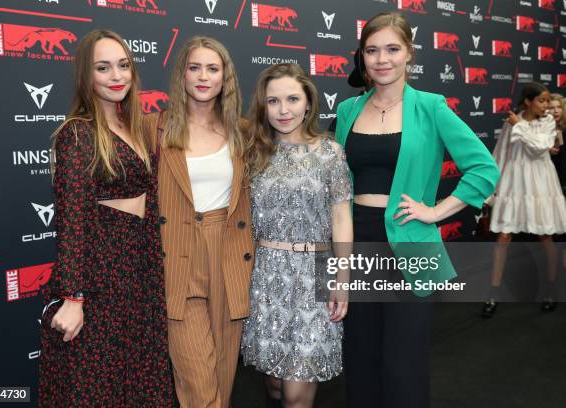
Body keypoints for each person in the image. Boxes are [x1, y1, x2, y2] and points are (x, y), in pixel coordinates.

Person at [334, 12, 499, 408]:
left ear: (409, 53)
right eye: (372, 50)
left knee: (403, 365)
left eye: (392, 49)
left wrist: (436, 211)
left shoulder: (431, 107)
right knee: (360, 360)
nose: (381, 59)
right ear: (362, 57)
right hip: (356, 244)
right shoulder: (346, 111)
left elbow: (484, 169)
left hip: (411, 243)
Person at [39, 29, 173, 407]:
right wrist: (73, 296)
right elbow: (71, 220)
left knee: (139, 383)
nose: (117, 76)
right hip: (100, 279)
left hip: (140, 272)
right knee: (95, 387)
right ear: (87, 75)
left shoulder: (136, 126)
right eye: (103, 67)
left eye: (123, 65)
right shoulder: (77, 134)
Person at [241, 63, 352, 408]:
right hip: (264, 276)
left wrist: (342, 280)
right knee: (274, 385)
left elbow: (341, 217)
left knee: (296, 395)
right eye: (273, 101)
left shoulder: (329, 152)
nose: (284, 110)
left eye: (292, 99)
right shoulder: (253, 152)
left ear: (308, 103)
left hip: (315, 273)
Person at [156, 36, 254, 408]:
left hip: (230, 257)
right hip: (177, 257)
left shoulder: (243, 133)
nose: (203, 76)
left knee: (223, 379)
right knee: (198, 384)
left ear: (224, 77)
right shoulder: (155, 128)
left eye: (212, 68)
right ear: (181, 75)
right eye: (194, 67)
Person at [484, 83, 566, 316]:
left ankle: (550, 289)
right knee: (503, 237)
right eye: (542, 100)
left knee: (546, 236)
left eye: (548, 101)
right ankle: (493, 293)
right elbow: (499, 155)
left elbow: (539, 148)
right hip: (513, 183)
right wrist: (491, 191)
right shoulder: (511, 123)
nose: (547, 105)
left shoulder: (547, 122)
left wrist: (519, 125)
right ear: (528, 101)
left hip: (540, 184)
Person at [549, 93, 565, 191]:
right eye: (552, 108)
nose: (556, 111)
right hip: (549, 177)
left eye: (559, 107)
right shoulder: (540, 129)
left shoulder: (563, 126)